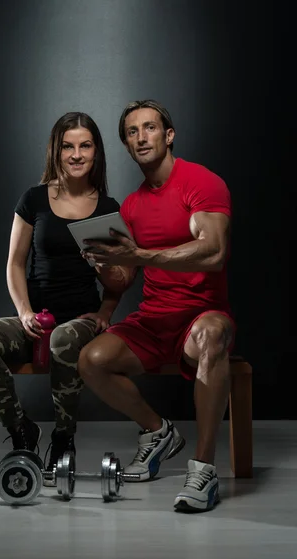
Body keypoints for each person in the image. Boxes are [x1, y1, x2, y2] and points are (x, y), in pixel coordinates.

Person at [77, 99, 234, 513]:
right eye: (132, 132)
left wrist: (140, 255)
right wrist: (103, 264)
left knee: (212, 334)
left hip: (200, 316)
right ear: (126, 146)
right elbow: (125, 280)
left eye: (149, 128)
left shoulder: (202, 182)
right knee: (92, 359)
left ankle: (203, 468)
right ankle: (158, 431)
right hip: (153, 320)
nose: (141, 137)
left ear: (168, 136)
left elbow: (214, 252)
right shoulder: (130, 205)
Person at [0, 111, 124, 482]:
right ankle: (22, 430)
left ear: (96, 151)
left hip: (80, 322)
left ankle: (64, 437)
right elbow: (15, 264)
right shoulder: (33, 199)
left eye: (85, 145)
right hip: (37, 319)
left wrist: (105, 311)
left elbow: (121, 276)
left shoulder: (108, 208)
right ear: (56, 150)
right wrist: (23, 312)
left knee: (66, 337)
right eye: (68, 146)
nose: (76, 154)